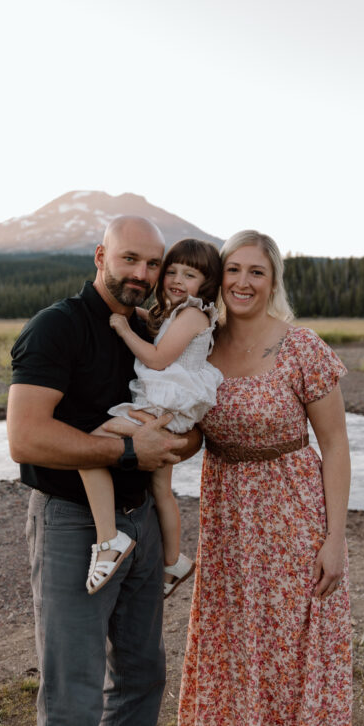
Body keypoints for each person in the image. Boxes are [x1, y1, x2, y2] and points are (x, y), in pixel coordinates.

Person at [7, 215, 202, 726]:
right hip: (73, 524)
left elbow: (183, 421)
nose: (141, 273)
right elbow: (26, 438)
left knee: (142, 677)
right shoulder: (57, 327)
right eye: (129, 259)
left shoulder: (153, 330)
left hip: (142, 519)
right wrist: (128, 451)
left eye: (153, 264)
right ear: (100, 256)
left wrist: (179, 441)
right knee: (73, 692)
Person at [177, 230, 359, 726]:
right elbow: (182, 424)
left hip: (294, 522)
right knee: (241, 650)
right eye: (233, 269)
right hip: (229, 526)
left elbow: (335, 446)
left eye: (256, 271)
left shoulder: (301, 347)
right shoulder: (199, 346)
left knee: (293, 656)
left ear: (273, 280)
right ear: (219, 277)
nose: (242, 282)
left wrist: (335, 539)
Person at [81, 238, 223, 596]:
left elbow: (158, 359)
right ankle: (173, 561)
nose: (176, 280)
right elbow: (163, 328)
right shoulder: (182, 312)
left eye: (189, 275)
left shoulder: (192, 314)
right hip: (173, 410)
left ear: (205, 283)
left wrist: (124, 329)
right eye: (171, 271)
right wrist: (137, 315)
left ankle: (108, 539)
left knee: (90, 446)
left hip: (163, 409)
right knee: (161, 489)